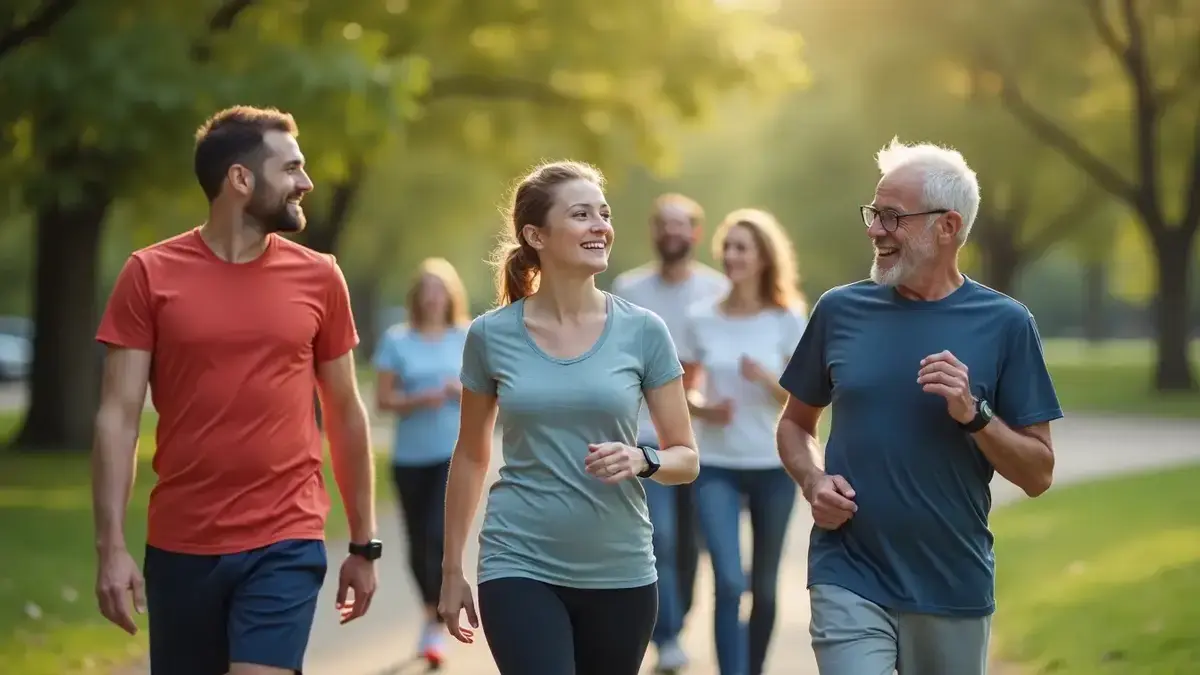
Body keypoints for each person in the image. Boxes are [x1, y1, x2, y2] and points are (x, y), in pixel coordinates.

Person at [91, 106, 381, 675]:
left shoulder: (320, 276)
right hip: (182, 542)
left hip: (286, 535)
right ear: (241, 180)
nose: (307, 182)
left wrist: (364, 544)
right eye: (292, 168)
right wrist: (111, 548)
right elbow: (117, 418)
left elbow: (346, 413)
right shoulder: (149, 274)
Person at [775, 139, 1062, 675]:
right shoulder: (839, 310)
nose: (875, 230)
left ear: (948, 226)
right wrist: (814, 481)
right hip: (848, 570)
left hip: (951, 582)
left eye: (892, 217)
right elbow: (794, 424)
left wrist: (974, 414)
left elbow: (1039, 473)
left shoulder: (1006, 324)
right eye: (874, 213)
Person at [437, 160, 701, 675]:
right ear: (536, 234)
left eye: (603, 214)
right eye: (581, 214)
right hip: (519, 561)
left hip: (620, 569)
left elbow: (685, 458)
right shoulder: (491, 335)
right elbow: (471, 454)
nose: (601, 226)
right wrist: (451, 570)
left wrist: (642, 459)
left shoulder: (644, 331)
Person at [680, 209, 806, 675]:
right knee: (730, 582)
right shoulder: (701, 318)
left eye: (742, 248)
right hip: (715, 463)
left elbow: (807, 400)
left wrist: (768, 380)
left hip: (774, 466)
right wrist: (704, 408)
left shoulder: (788, 318)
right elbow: (682, 392)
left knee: (767, 588)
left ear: (763, 258)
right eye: (727, 247)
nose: (731, 256)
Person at [611, 193, 728, 672]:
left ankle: (677, 618)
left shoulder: (716, 290)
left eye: (681, 225)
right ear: (653, 232)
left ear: (696, 234)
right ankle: (669, 633)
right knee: (659, 537)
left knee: (692, 543)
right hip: (643, 433)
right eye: (663, 225)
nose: (671, 233)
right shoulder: (628, 287)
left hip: (707, 440)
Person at [372, 257, 470, 667]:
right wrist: (416, 400)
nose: (433, 297)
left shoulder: (466, 336)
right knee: (417, 543)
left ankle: (436, 624)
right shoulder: (398, 340)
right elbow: (382, 400)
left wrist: (458, 390)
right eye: (426, 289)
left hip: (453, 455)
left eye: (439, 289)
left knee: (435, 535)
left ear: (450, 296)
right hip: (410, 458)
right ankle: (430, 613)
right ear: (417, 297)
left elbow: (490, 393)